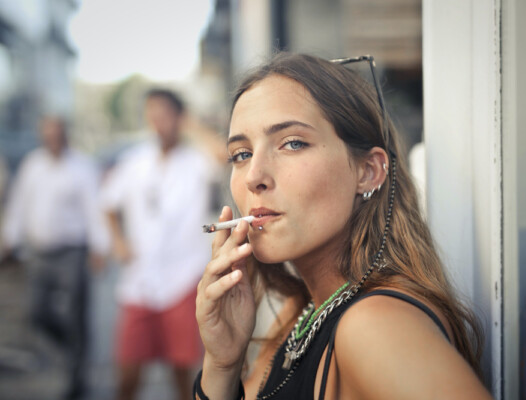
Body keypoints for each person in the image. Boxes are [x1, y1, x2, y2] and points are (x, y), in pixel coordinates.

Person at [194, 53, 493, 400]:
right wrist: (221, 364)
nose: (254, 177)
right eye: (241, 154)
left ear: (367, 172)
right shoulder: (305, 315)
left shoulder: (376, 325)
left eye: (292, 143)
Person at [102, 88, 221, 400]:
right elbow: (108, 204)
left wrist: (192, 125)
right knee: (127, 376)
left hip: (182, 279)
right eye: (151, 113)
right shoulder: (135, 160)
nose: (157, 121)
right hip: (139, 281)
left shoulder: (197, 160)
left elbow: (225, 154)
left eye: (164, 114)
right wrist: (118, 242)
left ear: (180, 117)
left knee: (183, 375)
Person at [1, 115, 108, 400]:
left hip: (71, 252)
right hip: (39, 253)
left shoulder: (81, 166)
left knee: (76, 315)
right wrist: (10, 239)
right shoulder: (33, 165)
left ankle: (77, 377)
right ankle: (71, 350)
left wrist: (100, 247)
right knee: (36, 312)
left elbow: (94, 208)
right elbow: (19, 205)